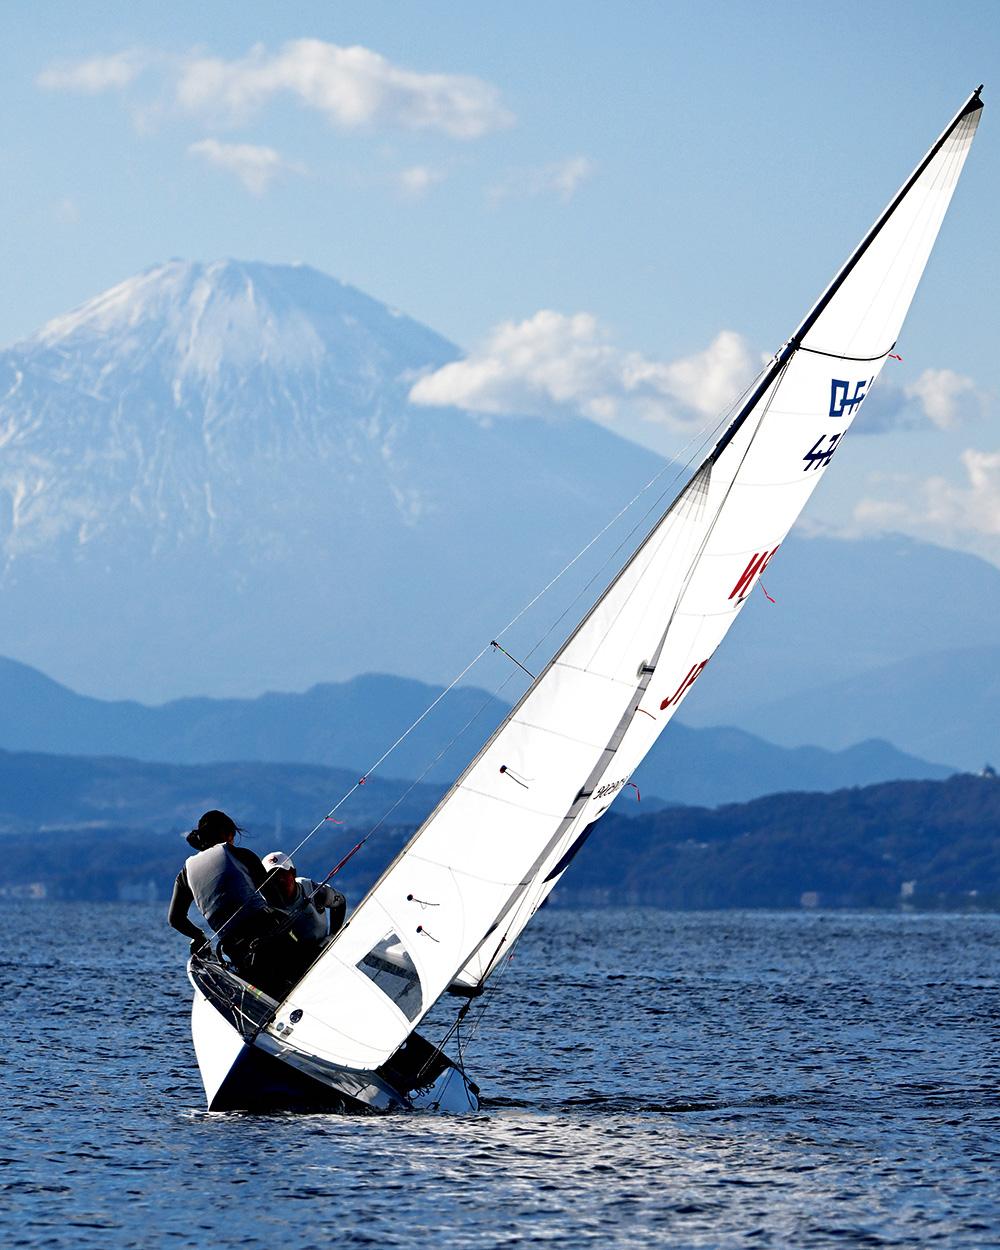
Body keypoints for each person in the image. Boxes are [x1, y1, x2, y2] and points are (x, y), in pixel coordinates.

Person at [166, 810, 295, 995]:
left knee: (267, 987)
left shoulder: (185, 873)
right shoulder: (240, 854)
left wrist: (199, 936)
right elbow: (276, 900)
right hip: (268, 932)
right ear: (228, 835)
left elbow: (175, 919)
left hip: (233, 946)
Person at [261, 851, 346, 979]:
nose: (279, 880)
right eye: (272, 878)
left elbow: (340, 902)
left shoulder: (311, 889)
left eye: (282, 874)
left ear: (293, 873)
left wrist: (333, 935)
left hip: (326, 953)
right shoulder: (265, 907)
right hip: (294, 968)